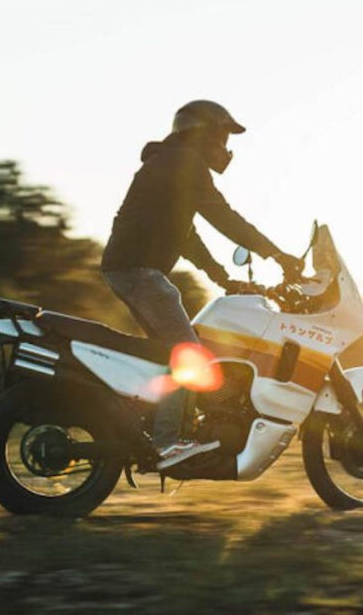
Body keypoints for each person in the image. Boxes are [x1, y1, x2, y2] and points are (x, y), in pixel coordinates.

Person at [101, 100, 302, 470]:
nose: (226, 148)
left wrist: (221, 277)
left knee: (167, 354)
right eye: (222, 137)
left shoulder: (171, 163)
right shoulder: (184, 163)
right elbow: (223, 217)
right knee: (188, 355)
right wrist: (278, 255)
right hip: (139, 272)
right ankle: (167, 443)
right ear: (203, 134)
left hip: (132, 270)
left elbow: (186, 234)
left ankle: (144, 421)